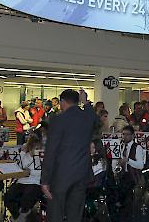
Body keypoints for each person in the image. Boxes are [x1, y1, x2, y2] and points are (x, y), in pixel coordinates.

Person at [41, 89, 98, 222]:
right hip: (82, 173)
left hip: (61, 174)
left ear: (62, 102)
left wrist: (45, 180)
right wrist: (86, 102)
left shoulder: (58, 119)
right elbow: (94, 118)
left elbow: (51, 151)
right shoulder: (88, 117)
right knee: (75, 214)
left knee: (56, 213)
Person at [4, 129, 44, 222]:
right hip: (22, 180)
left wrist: (31, 171)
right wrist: (22, 153)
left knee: (26, 198)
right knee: (8, 197)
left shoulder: (42, 153)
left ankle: (21, 217)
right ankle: (18, 217)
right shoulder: (24, 151)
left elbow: (43, 171)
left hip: (36, 181)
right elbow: (18, 166)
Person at [115, 125, 147, 208]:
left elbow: (141, 166)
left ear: (132, 136)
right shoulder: (122, 146)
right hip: (124, 173)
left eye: (127, 134)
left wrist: (128, 161)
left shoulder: (137, 148)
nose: (124, 136)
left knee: (123, 186)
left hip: (134, 175)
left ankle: (123, 206)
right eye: (123, 134)